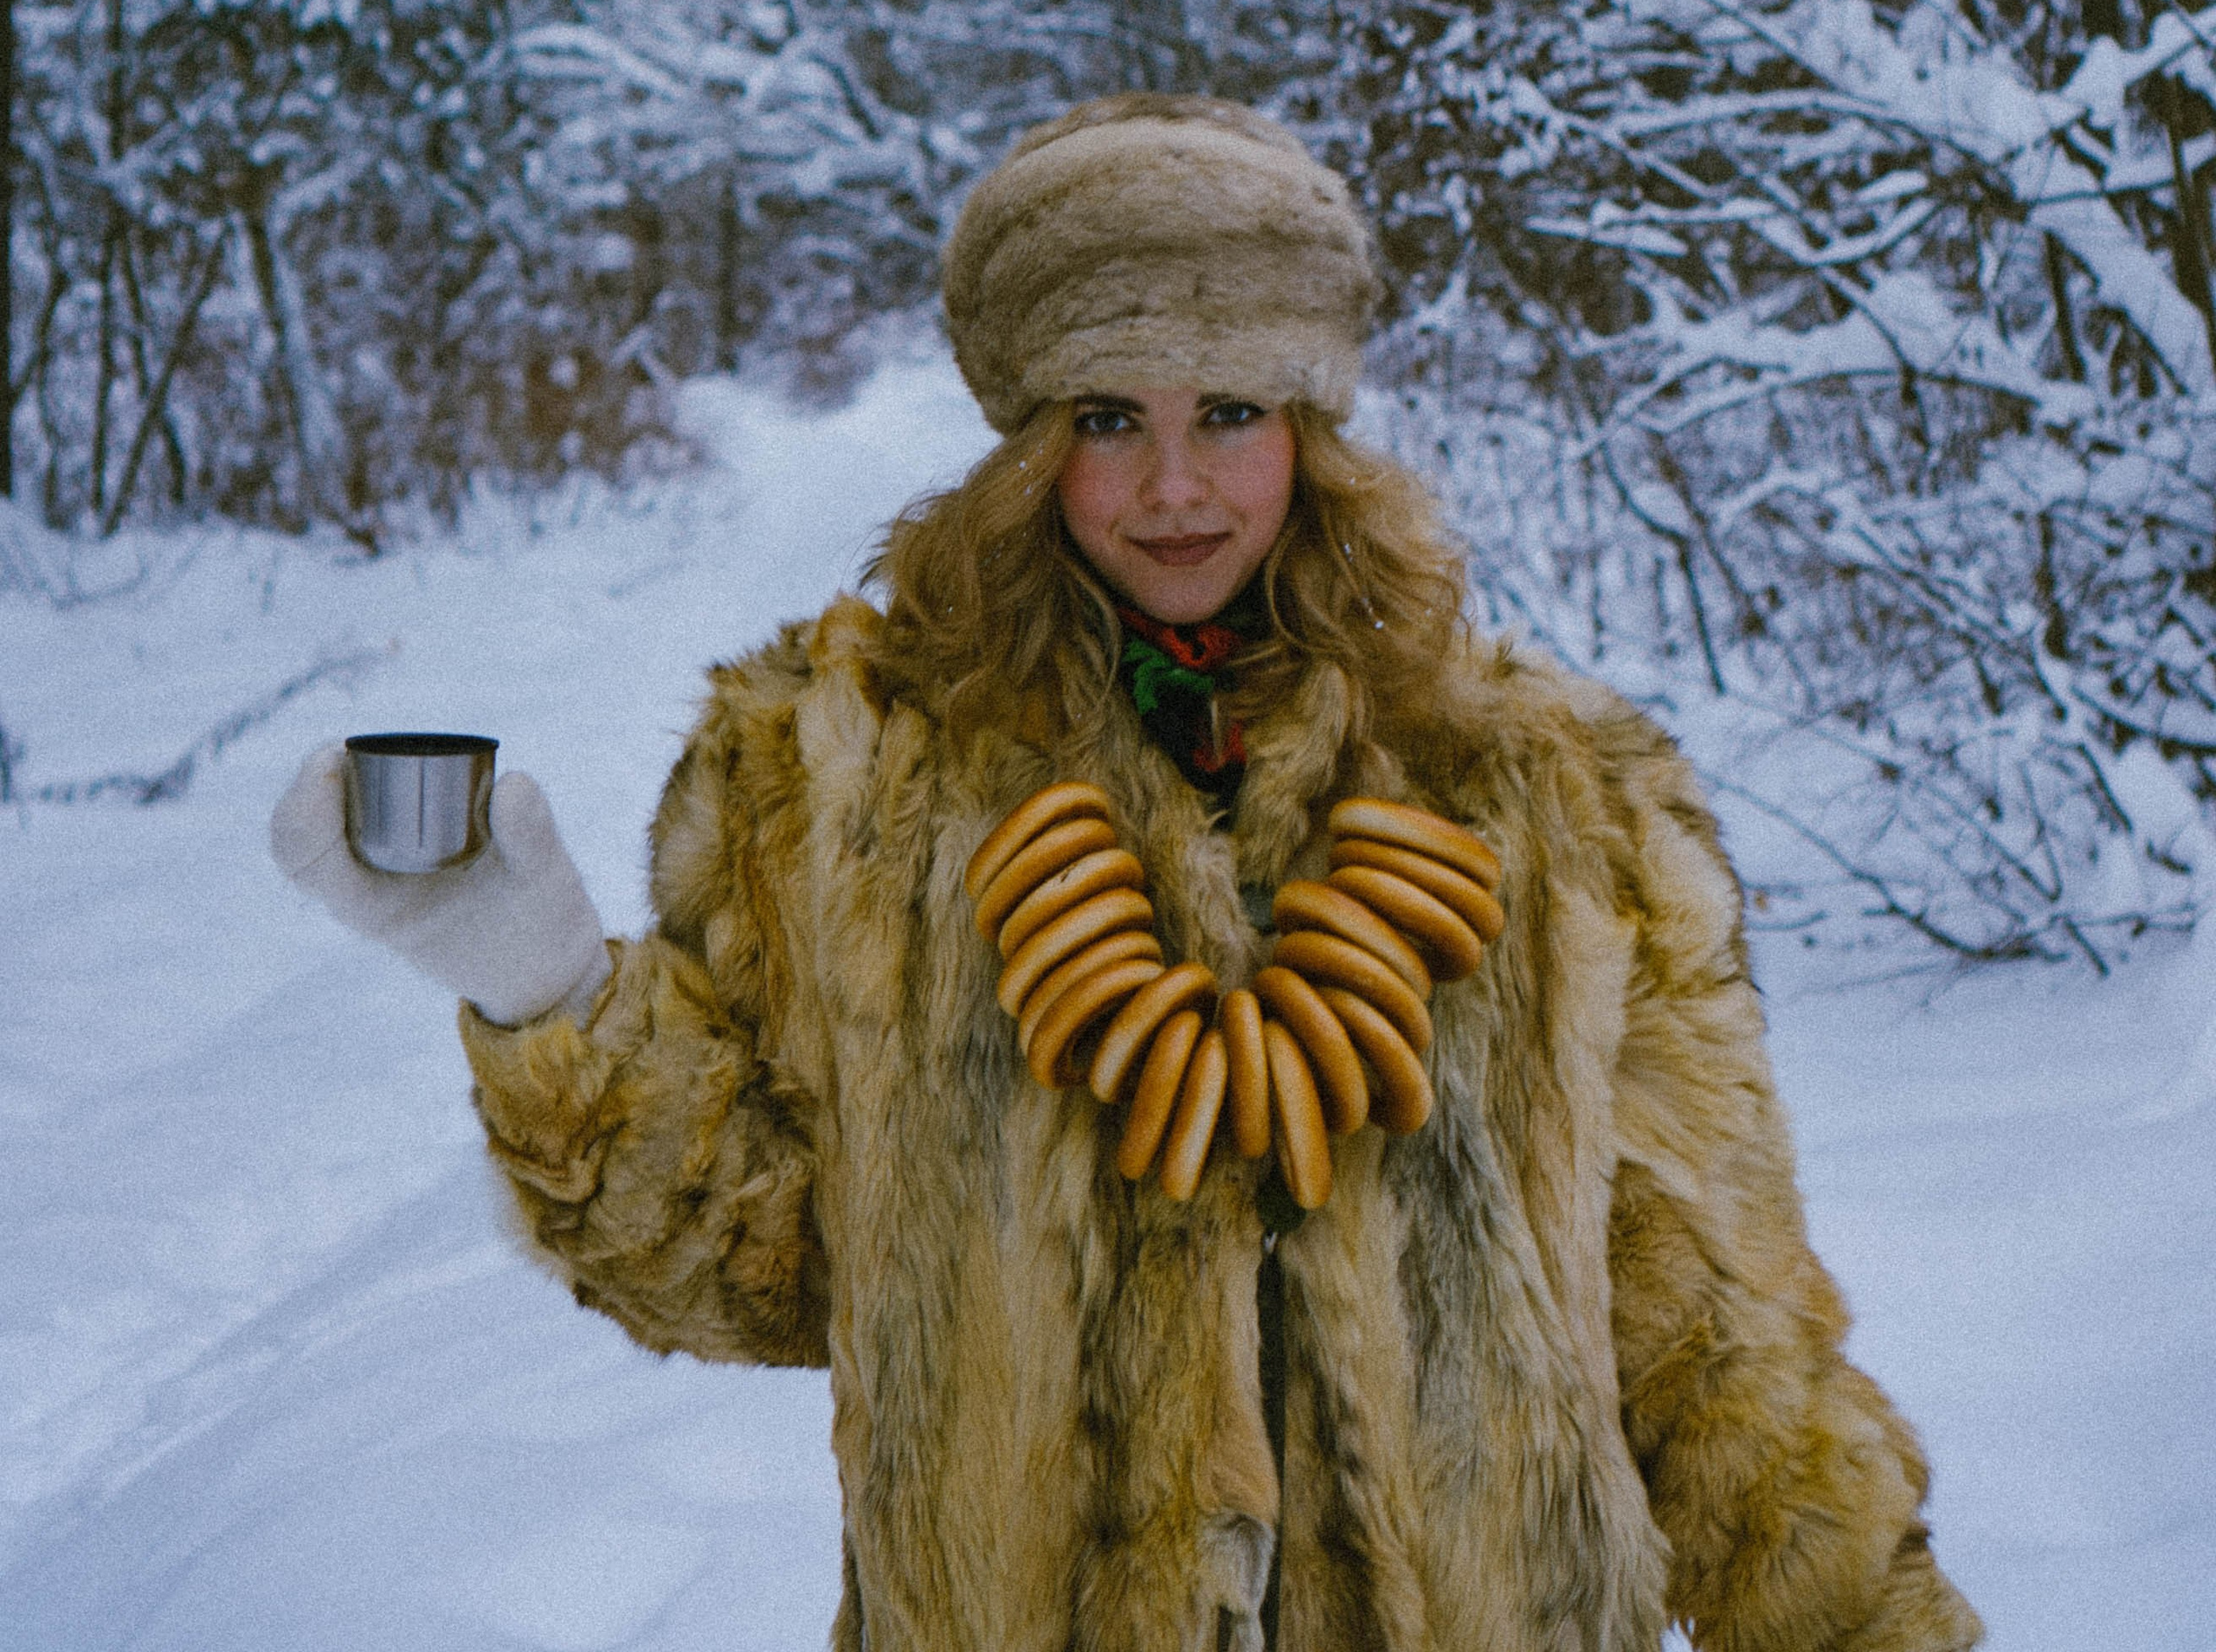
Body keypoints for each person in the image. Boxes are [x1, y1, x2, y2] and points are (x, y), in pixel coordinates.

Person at [274, 95, 1982, 1652]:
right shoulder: (834, 783)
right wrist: (549, 986)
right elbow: (769, 1267)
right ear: (1031, 439)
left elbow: (1717, 1350)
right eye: (1109, 416)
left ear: (1308, 428)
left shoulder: (1552, 802)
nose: (1172, 488)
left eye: (1228, 411)